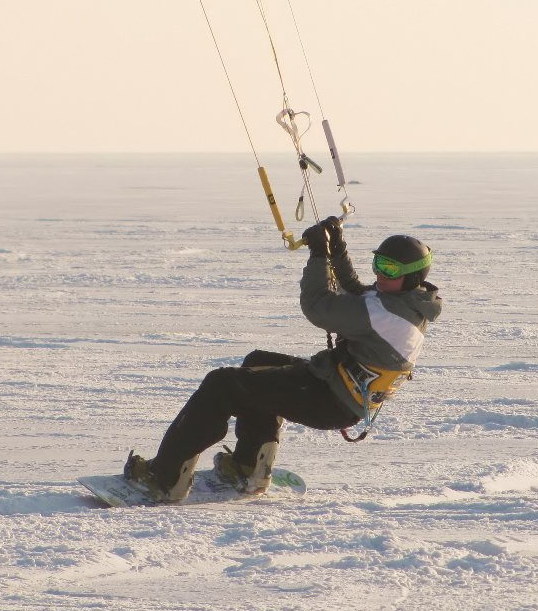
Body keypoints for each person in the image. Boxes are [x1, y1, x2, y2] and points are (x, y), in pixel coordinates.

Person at [124, 215, 443, 501]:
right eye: (378, 264)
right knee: (258, 361)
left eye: (389, 269)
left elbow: (318, 306)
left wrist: (319, 255)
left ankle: (164, 479)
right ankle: (249, 467)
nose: (380, 274)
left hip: (331, 400)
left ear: (414, 275)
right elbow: (358, 292)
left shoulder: (388, 313)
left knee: (222, 384)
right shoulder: (407, 302)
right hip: (335, 385)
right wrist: (338, 249)